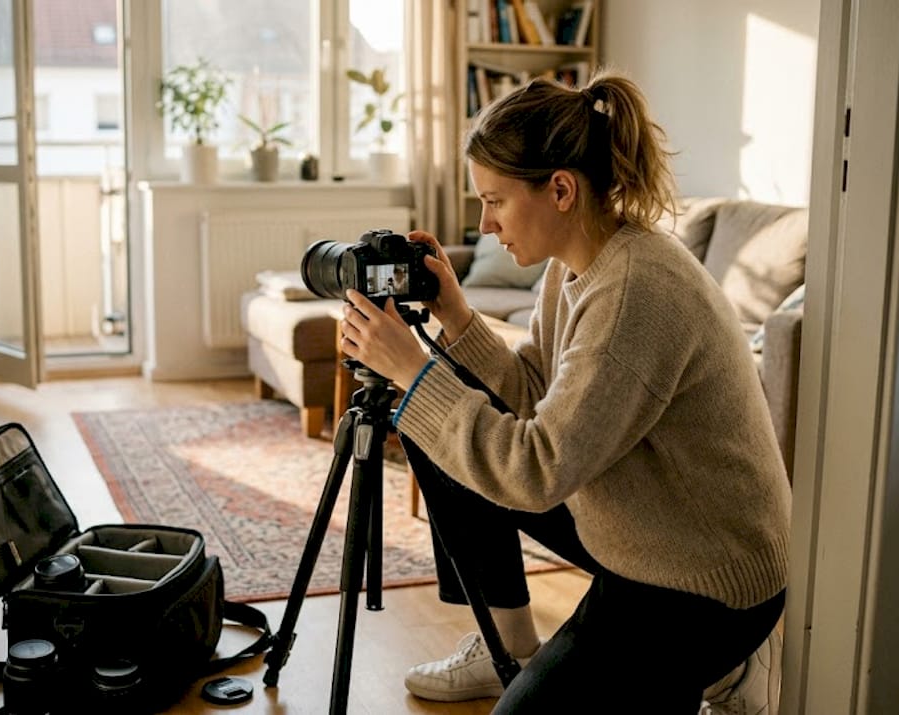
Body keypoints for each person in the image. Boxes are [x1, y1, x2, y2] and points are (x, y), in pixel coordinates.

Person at [337, 70, 791, 713]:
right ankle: (508, 646)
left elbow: (536, 470)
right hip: (642, 522)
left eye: (495, 201)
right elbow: (535, 393)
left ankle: (726, 669)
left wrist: (414, 372)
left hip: (702, 579)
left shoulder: (636, 294)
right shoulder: (576, 265)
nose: (485, 224)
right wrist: (456, 317)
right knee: (432, 431)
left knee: (434, 406)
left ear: (560, 189)